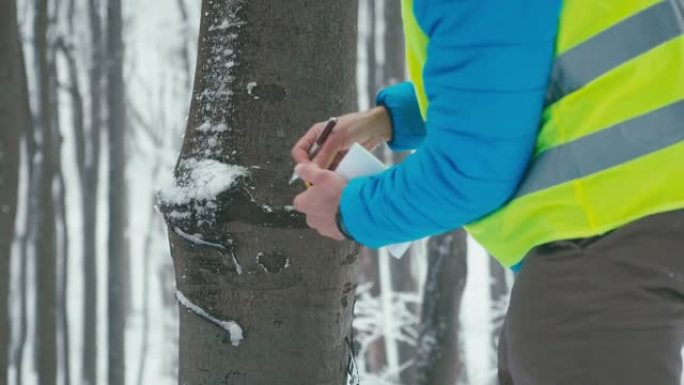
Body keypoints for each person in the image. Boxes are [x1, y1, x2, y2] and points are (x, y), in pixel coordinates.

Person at [292, 0, 684, 383]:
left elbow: (468, 174)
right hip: (640, 219)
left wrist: (349, 209)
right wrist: (388, 120)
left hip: (601, 240)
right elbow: (520, 58)